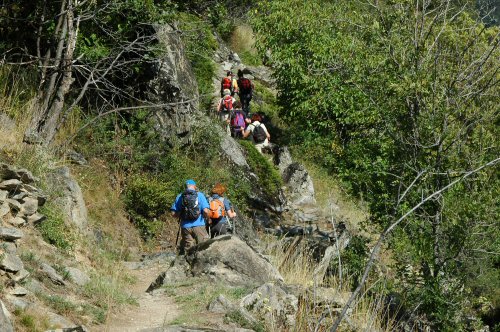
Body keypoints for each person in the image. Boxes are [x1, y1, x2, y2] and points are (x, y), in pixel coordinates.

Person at [170, 179, 210, 254]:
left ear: (186, 187)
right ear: (195, 186)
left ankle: (188, 264)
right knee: (203, 248)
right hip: (199, 225)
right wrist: (207, 218)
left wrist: (182, 215)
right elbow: (205, 211)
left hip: (185, 226)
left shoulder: (180, 196)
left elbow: (173, 213)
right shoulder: (200, 195)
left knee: (188, 250)